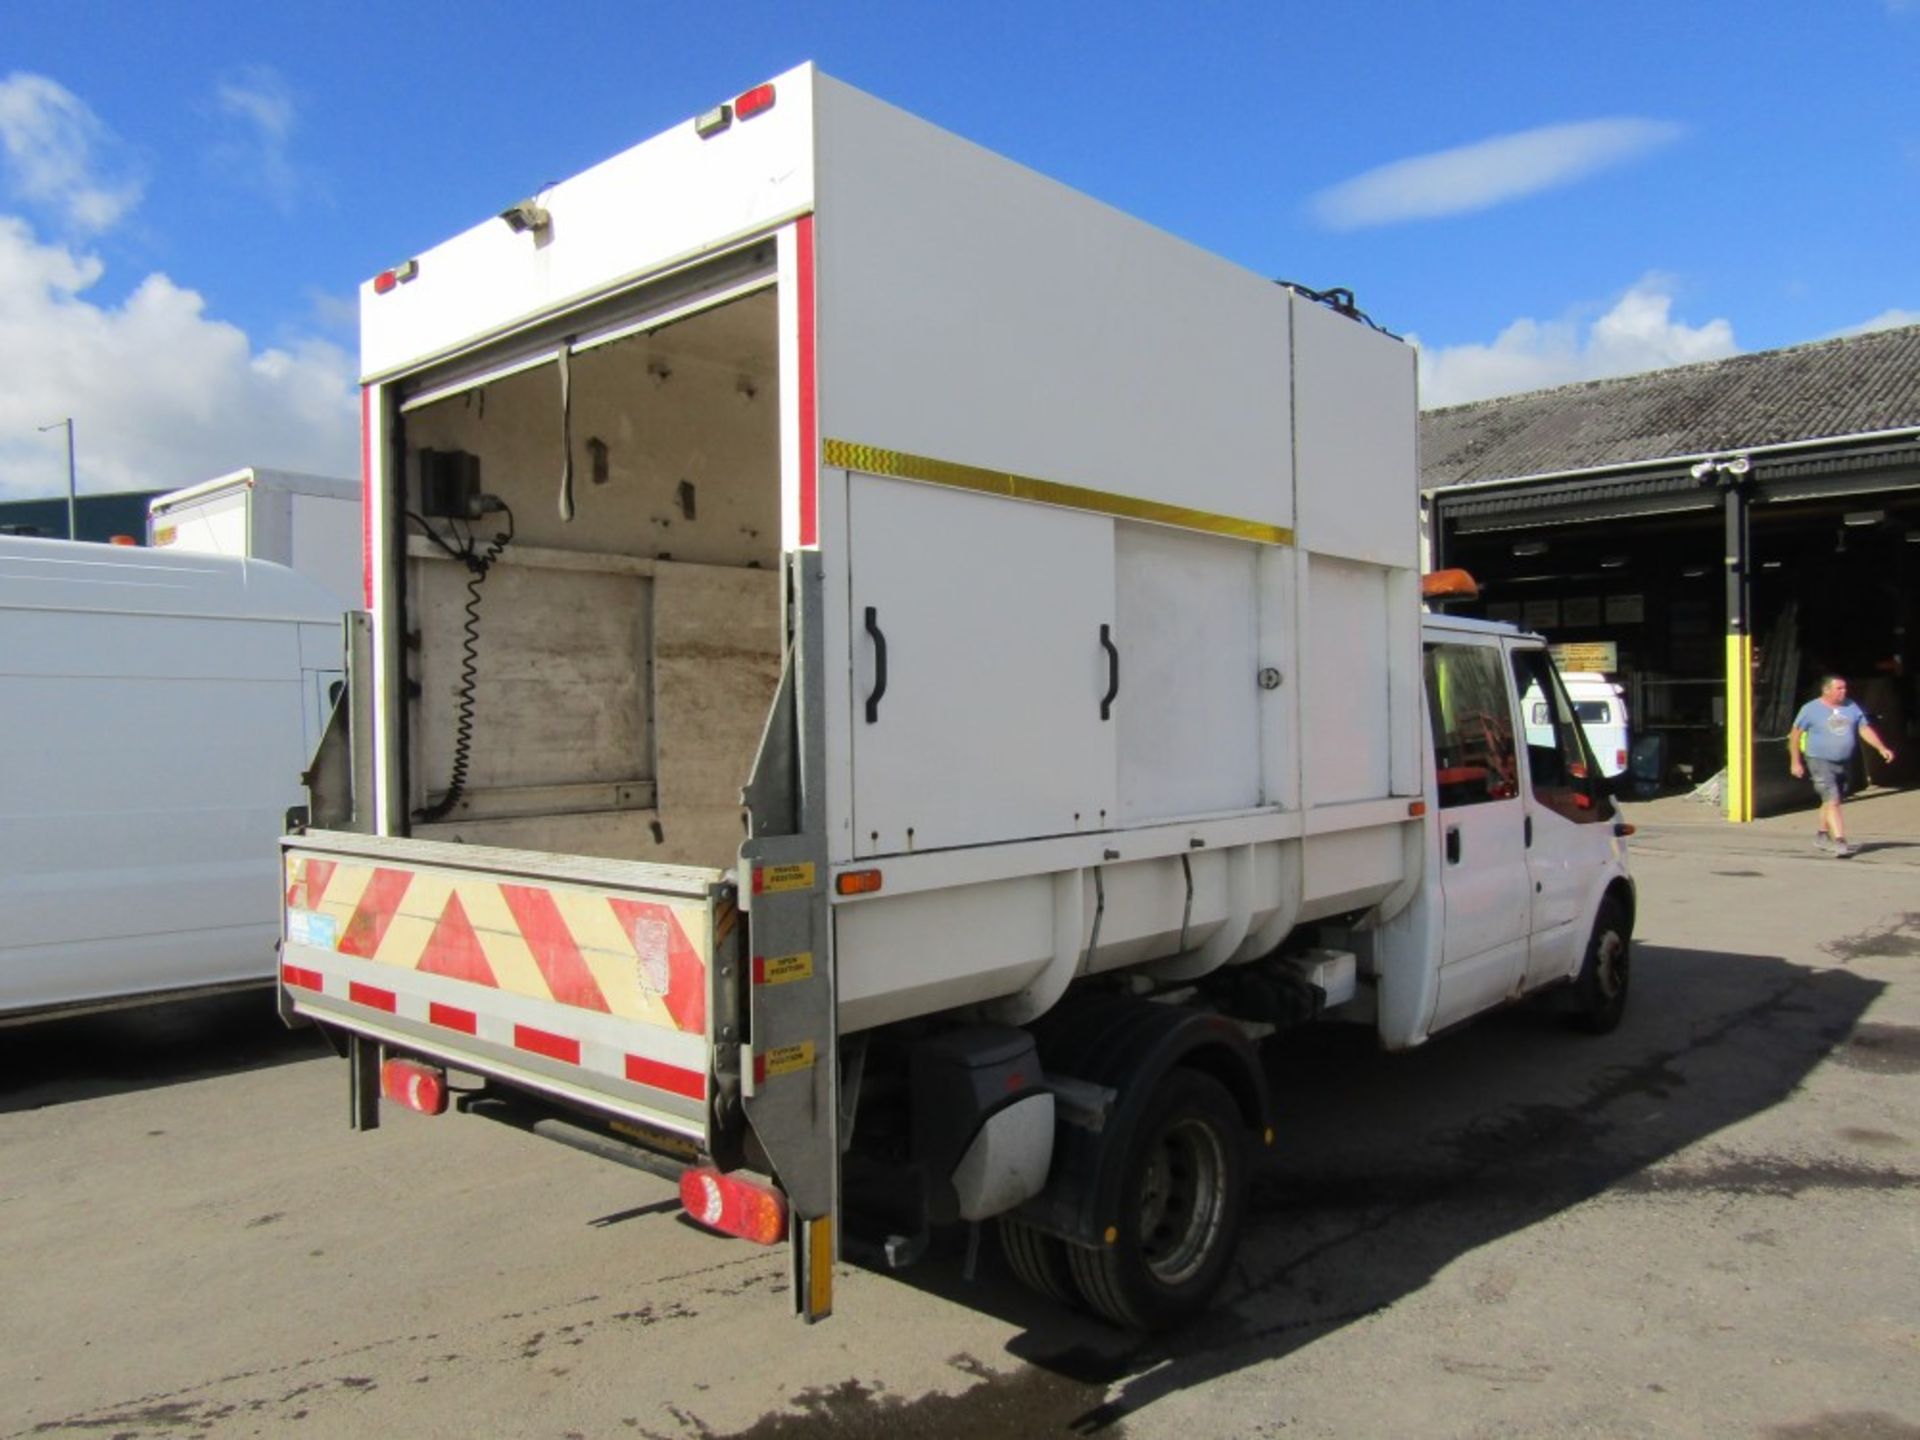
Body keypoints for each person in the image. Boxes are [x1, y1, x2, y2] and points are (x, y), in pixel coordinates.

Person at [1788, 675, 1895, 857]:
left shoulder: (1851, 706)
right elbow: (1795, 736)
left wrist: (1881, 748)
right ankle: (1840, 841)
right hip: (1819, 760)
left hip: (1843, 761)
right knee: (1833, 800)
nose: (1844, 692)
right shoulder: (1810, 709)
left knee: (1831, 800)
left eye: (1845, 688)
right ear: (1826, 690)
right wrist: (1795, 761)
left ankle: (1822, 835)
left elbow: (1864, 728)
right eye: (1839, 689)